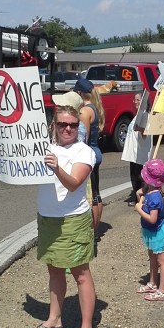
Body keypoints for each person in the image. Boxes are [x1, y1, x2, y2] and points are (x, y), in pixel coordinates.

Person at [27, 104, 98, 328]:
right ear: (53, 126)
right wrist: (2, 153)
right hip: (47, 218)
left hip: (73, 220)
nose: (68, 128)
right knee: (54, 270)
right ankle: (54, 320)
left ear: (79, 127)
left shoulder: (84, 151)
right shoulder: (46, 147)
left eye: (73, 125)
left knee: (80, 273)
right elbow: (23, 166)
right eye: (62, 124)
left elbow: (74, 183)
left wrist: (56, 167)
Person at [134, 159, 164, 302]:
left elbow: (152, 219)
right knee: (152, 256)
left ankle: (162, 290)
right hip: (151, 231)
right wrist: (140, 194)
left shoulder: (155, 197)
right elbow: (142, 198)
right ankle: (152, 282)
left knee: (162, 260)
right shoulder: (150, 191)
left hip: (156, 230)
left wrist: (139, 209)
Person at [74, 76, 105, 237]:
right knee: (96, 193)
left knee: (92, 195)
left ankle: (92, 232)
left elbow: (82, 138)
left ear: (79, 92)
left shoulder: (84, 111)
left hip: (89, 153)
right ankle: (96, 230)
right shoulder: (94, 107)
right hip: (96, 150)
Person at [121, 92, 152, 205]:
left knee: (139, 176)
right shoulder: (138, 114)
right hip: (134, 152)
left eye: (138, 100)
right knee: (134, 175)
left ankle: (141, 199)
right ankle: (137, 197)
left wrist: (139, 128)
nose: (135, 102)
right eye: (135, 100)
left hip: (141, 152)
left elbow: (146, 133)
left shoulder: (145, 115)